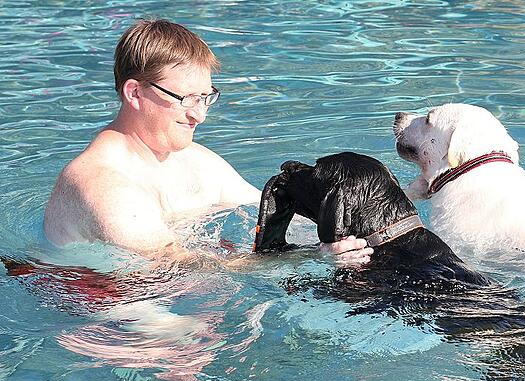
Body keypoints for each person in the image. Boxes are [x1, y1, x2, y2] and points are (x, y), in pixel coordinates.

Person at [43, 19, 372, 264]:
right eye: (186, 99)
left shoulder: (193, 160)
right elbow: (179, 271)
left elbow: (274, 216)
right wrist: (311, 257)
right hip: (105, 315)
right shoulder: (104, 187)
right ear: (135, 92)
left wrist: (352, 234)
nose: (199, 116)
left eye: (205, 98)